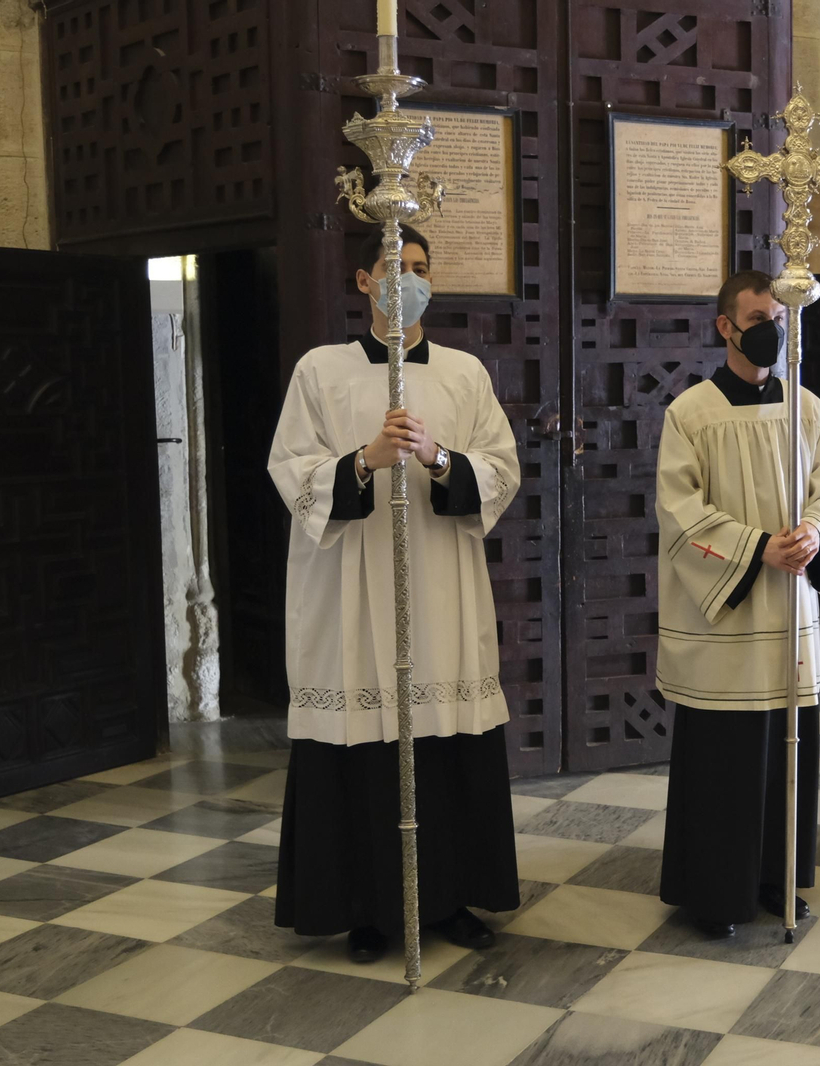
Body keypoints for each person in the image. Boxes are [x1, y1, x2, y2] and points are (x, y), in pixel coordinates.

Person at [268, 224, 521, 960]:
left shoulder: (464, 374)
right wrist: (365, 460)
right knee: (365, 752)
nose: (407, 280)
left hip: (441, 589)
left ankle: (451, 900)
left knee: (447, 748)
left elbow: (501, 469)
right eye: (393, 268)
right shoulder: (322, 371)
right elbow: (291, 470)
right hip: (353, 598)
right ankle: (370, 909)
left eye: (419, 267)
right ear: (362, 282)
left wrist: (441, 460)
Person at [655, 269, 820, 938]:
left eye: (779, 315)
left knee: (785, 754)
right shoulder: (690, 414)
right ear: (726, 327)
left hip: (789, 616)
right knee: (724, 760)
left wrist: (814, 534)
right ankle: (714, 893)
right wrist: (755, 549)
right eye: (759, 315)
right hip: (729, 615)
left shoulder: (808, 409)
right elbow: (681, 515)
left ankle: (775, 880)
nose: (772, 326)